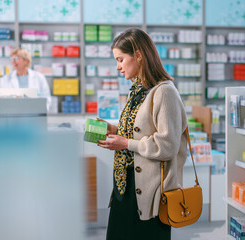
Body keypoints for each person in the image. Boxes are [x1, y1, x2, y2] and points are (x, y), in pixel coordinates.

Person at [97, 28, 188, 240]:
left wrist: (126, 143)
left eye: (120, 59)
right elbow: (138, 130)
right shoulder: (138, 90)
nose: (118, 67)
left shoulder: (165, 92)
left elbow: (167, 145)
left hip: (150, 194)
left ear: (138, 55)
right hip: (125, 187)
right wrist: (113, 130)